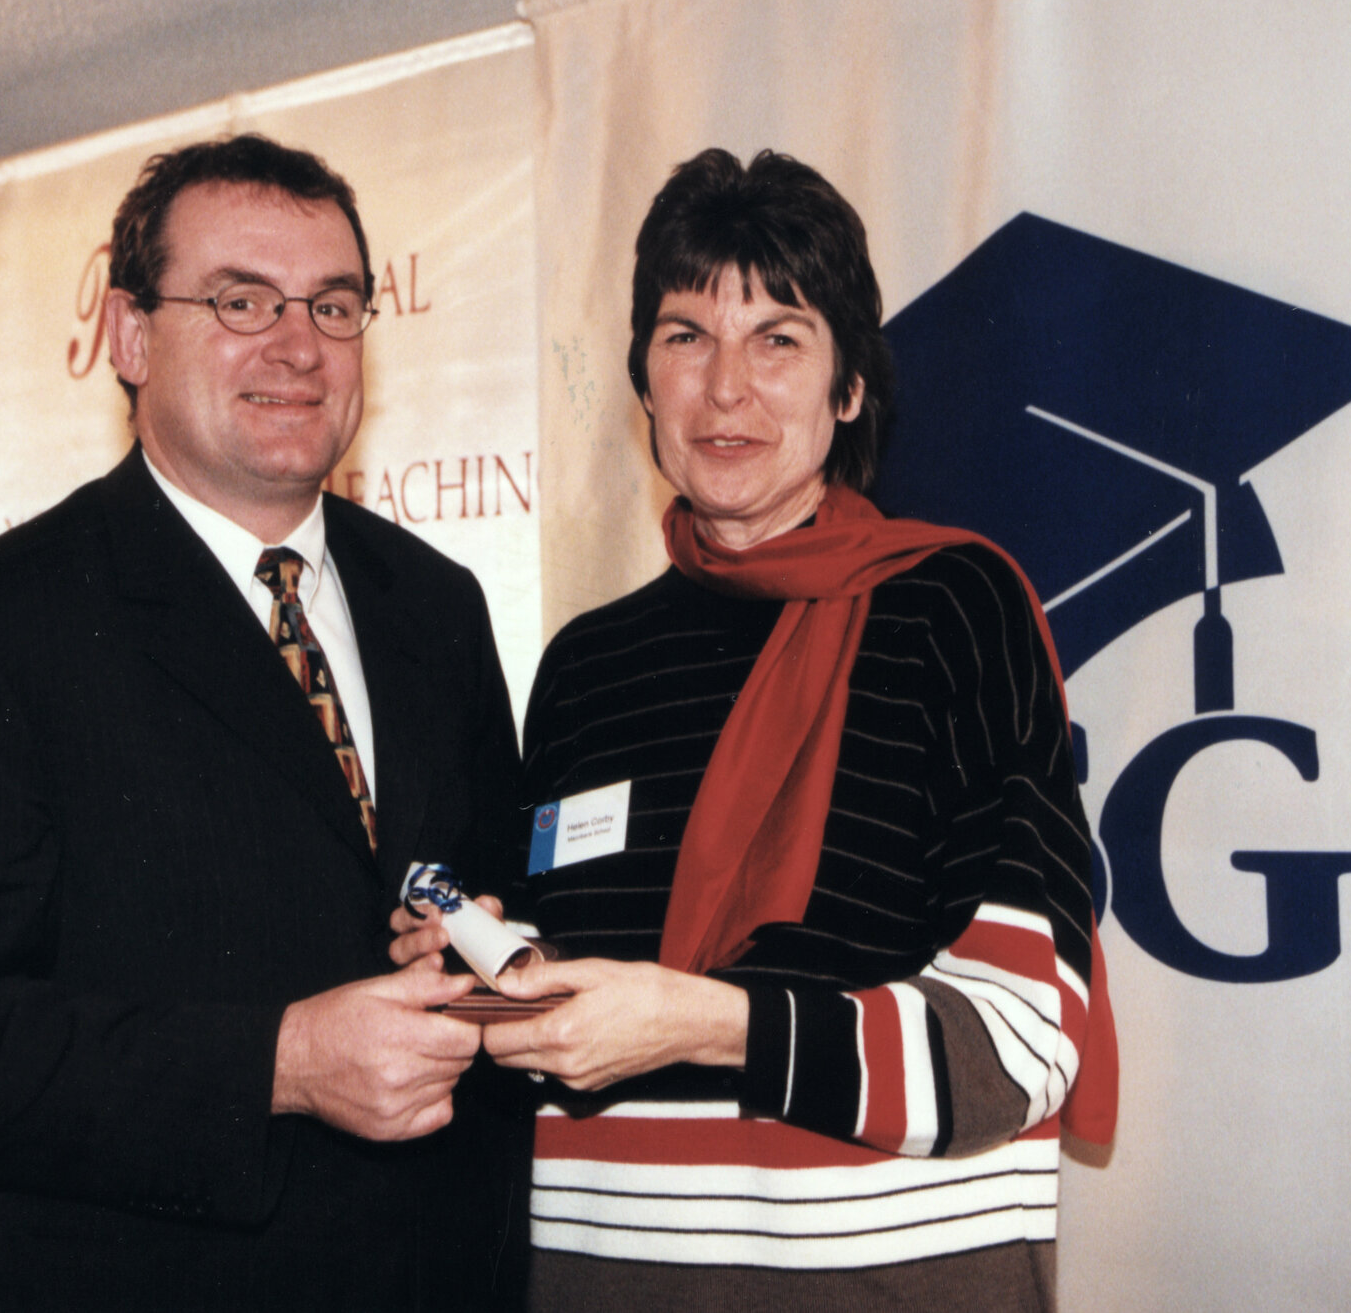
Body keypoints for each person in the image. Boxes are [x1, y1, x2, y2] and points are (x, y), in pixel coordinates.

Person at [396, 148, 1118, 1311]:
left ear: (849, 388)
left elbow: (1019, 1043)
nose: (724, 387)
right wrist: (476, 968)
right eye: (685, 335)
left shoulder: (952, 609)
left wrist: (706, 1024)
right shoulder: (584, 666)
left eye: (777, 337)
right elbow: (558, 995)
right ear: (641, 381)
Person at [0, 135, 528, 1312]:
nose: (297, 346)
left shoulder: (438, 604)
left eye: (333, 305)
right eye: (240, 301)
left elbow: (477, 887)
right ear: (129, 335)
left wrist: (473, 946)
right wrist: (278, 1067)